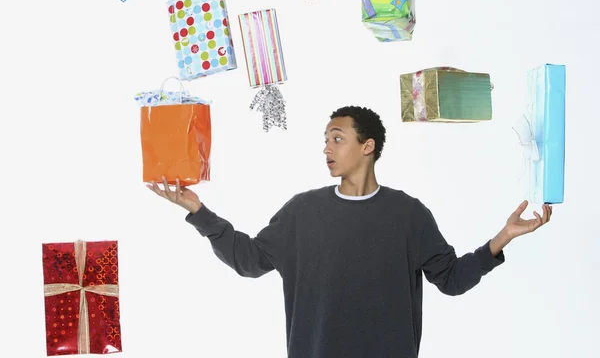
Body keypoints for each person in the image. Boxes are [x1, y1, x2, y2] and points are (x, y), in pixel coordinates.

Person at [148, 106, 552, 358]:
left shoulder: (408, 215)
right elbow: (249, 261)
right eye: (325, 141)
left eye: (337, 139)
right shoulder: (302, 212)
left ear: (367, 146)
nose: (327, 149)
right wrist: (198, 211)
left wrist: (502, 238)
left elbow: (451, 280)